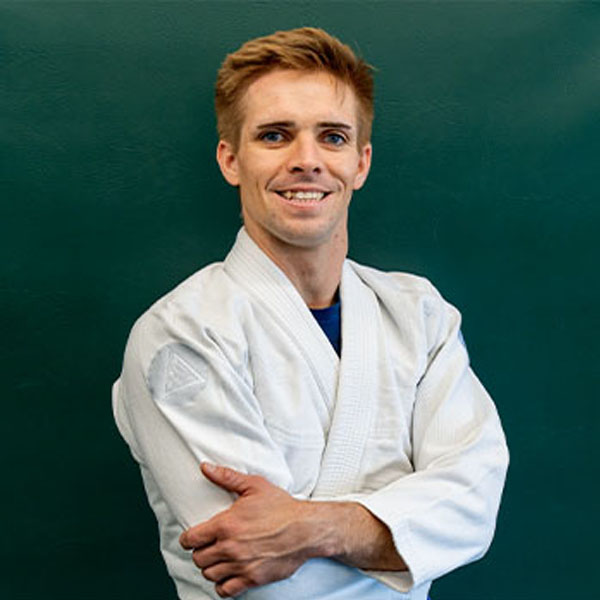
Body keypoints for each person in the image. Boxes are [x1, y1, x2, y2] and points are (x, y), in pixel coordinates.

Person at [112, 27, 509, 600]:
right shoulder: (180, 336)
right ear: (230, 159)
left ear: (361, 162)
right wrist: (405, 529)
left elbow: (474, 508)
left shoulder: (419, 316)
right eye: (275, 135)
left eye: (333, 137)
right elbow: (261, 575)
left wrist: (310, 528)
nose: (307, 161)